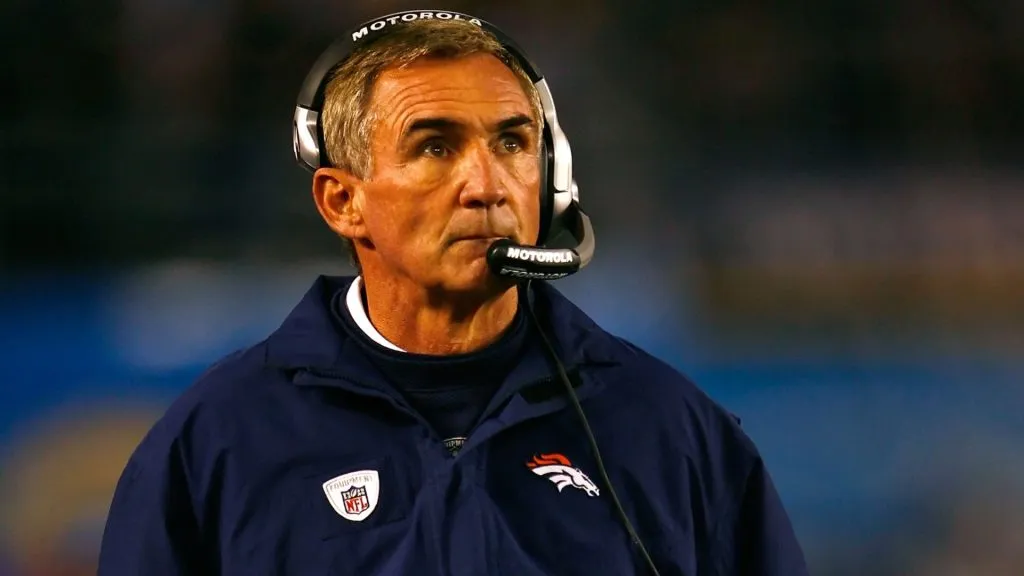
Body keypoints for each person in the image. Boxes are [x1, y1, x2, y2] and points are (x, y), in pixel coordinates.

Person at [98, 9, 808, 576]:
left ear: (553, 176)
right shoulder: (216, 443)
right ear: (342, 201)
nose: (487, 185)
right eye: (435, 146)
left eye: (512, 142)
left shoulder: (673, 432)